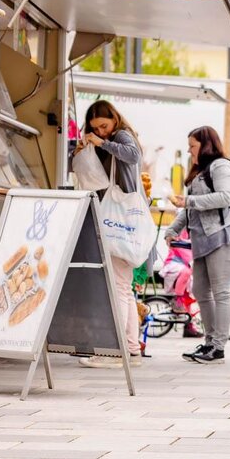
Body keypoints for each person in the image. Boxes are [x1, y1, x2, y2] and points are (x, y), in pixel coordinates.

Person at [164, 126, 230, 365]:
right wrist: (173, 228)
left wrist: (189, 200)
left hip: (223, 236)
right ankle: (210, 341)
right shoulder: (200, 170)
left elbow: (225, 197)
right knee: (201, 290)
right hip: (203, 239)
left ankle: (218, 347)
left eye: (193, 145)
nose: (190, 150)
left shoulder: (221, 166)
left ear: (205, 144)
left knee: (221, 292)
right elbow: (190, 208)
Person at [73, 100, 145, 368]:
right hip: (122, 221)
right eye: (95, 128)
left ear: (114, 119)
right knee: (122, 287)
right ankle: (130, 350)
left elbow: (133, 154)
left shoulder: (122, 135)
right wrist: (85, 148)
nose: (101, 132)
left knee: (118, 287)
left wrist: (101, 143)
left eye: (104, 125)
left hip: (119, 220)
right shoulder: (109, 139)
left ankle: (116, 351)